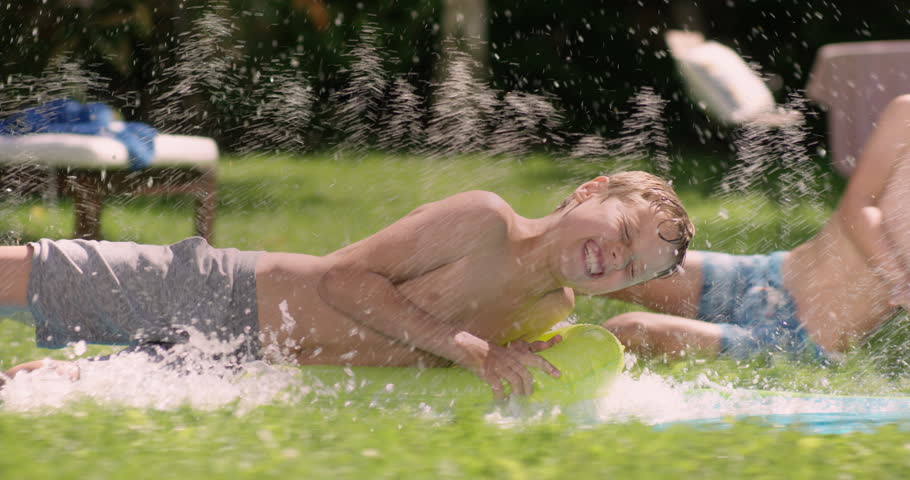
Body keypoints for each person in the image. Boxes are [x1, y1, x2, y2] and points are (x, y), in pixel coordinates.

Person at [0, 171, 693, 399]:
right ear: (589, 191)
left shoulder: (550, 311)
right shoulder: (485, 222)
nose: (619, 258)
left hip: (242, 368)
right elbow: (342, 282)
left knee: (43, 394)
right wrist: (472, 351)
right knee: (27, 275)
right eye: (624, 232)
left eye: (638, 270)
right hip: (222, 294)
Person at [602, 94, 910, 362]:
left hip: (798, 337)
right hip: (764, 275)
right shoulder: (905, 110)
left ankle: (557, 374)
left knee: (631, 330)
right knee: (608, 266)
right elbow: (857, 207)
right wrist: (901, 280)